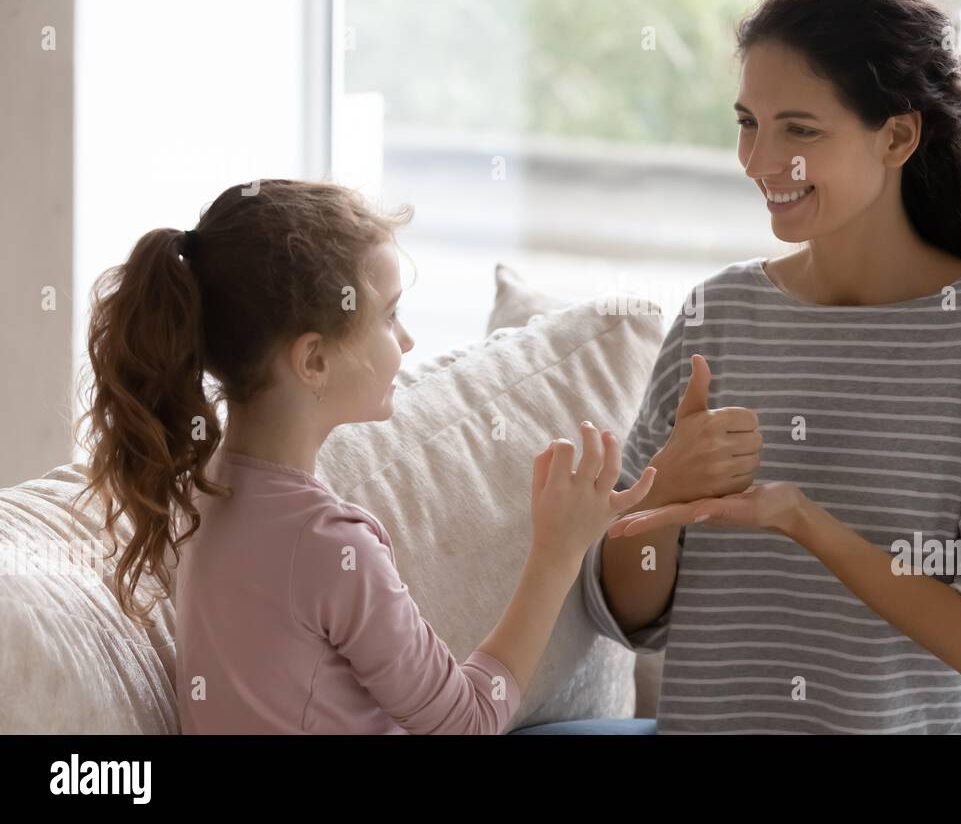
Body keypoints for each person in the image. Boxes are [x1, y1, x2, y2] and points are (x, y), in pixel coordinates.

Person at [581, 0, 961, 734]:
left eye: (800, 130)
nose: (758, 162)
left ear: (898, 136)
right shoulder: (719, 312)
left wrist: (804, 521)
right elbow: (626, 614)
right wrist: (664, 497)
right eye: (748, 124)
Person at [73, 179, 655, 733]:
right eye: (388, 315)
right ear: (314, 362)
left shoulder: (200, 491)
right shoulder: (328, 544)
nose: (406, 341)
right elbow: (469, 720)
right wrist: (559, 550)